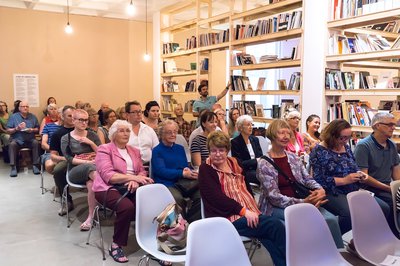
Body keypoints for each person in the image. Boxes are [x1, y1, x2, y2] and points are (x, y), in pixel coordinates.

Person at [199, 131, 286, 266]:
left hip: (249, 212)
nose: (217, 154)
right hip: (226, 218)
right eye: (213, 150)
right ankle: (290, 262)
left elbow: (246, 188)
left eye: (221, 150)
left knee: (268, 235)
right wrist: (244, 211)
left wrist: (252, 208)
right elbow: (216, 198)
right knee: (275, 226)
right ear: (209, 151)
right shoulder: (206, 168)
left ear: (227, 150)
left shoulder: (235, 163)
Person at [257, 119, 343, 248]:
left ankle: (337, 256)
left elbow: (307, 178)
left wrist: (320, 190)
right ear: (272, 136)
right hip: (275, 207)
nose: (286, 136)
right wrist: (304, 203)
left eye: (288, 133)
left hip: (302, 199)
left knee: (330, 220)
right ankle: (307, 256)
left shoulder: (293, 157)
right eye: (281, 133)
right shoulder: (264, 163)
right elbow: (274, 198)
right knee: (310, 222)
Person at [310, 119, 390, 235]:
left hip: (352, 188)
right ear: (332, 135)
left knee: (383, 208)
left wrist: (360, 174)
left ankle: (364, 238)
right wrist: (344, 180)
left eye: (347, 137)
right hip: (332, 191)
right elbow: (318, 180)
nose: (345, 141)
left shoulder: (346, 147)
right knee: (348, 214)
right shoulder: (319, 150)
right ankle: (331, 239)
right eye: (342, 138)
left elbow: (353, 166)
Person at [93, 119, 153, 263]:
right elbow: (109, 176)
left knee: (153, 205)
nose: (126, 133)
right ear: (113, 134)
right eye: (121, 130)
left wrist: (135, 180)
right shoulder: (104, 149)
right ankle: (116, 245)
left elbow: (142, 172)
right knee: (127, 207)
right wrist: (132, 178)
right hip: (107, 188)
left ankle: (154, 243)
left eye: (128, 130)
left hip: (133, 185)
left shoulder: (134, 151)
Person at [354, 112, 400, 232]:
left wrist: (397, 188)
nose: (393, 127)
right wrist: (388, 189)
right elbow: (364, 177)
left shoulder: (392, 145)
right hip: (368, 189)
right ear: (377, 125)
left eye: (394, 124)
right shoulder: (363, 146)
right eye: (389, 124)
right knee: (391, 204)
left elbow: (396, 173)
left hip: (386, 188)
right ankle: (391, 237)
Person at [152, 120, 201, 223]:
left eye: (175, 131)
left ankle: (191, 222)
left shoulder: (180, 148)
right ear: (161, 134)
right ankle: (180, 226)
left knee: (201, 195)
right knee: (177, 199)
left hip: (182, 182)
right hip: (167, 184)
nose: (173, 134)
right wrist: (182, 173)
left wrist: (188, 171)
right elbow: (161, 171)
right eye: (169, 132)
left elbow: (183, 167)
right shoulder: (157, 150)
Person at [61, 109, 100, 231]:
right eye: (81, 120)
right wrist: (88, 162)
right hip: (75, 170)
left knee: (91, 184)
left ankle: (90, 217)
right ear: (73, 120)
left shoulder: (92, 135)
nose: (84, 123)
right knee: (90, 168)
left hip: (93, 170)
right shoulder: (66, 138)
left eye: (86, 120)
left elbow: (102, 153)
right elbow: (69, 159)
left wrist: (91, 143)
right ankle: (107, 191)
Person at [50, 105, 76, 215]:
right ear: (63, 117)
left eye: (74, 116)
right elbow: (53, 156)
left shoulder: (84, 131)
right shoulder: (57, 134)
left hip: (85, 160)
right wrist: (67, 158)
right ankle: (66, 201)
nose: (72, 118)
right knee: (58, 170)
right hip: (67, 160)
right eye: (69, 116)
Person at [6, 100, 40, 177]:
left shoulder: (33, 117)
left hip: (30, 140)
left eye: (27, 106)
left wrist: (32, 130)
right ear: (19, 108)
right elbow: (8, 130)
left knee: (36, 143)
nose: (25, 108)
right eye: (23, 106)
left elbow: (37, 129)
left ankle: (35, 165)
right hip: (17, 140)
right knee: (12, 144)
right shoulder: (13, 117)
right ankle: (13, 167)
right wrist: (16, 128)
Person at [231, 115, 263, 185]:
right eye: (248, 125)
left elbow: (261, 157)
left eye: (252, 124)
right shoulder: (235, 142)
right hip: (245, 171)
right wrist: (256, 160)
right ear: (241, 127)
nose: (251, 127)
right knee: (263, 177)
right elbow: (239, 164)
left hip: (257, 169)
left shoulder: (255, 139)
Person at [125, 101, 159, 165]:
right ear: (127, 115)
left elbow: (157, 150)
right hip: (129, 167)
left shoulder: (149, 130)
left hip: (149, 166)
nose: (139, 114)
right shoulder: (121, 130)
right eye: (135, 112)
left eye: (140, 111)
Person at [41, 107, 62, 173]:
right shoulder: (48, 126)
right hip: (50, 152)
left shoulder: (71, 128)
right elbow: (43, 144)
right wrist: (55, 151)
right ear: (59, 115)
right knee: (50, 165)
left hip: (67, 154)